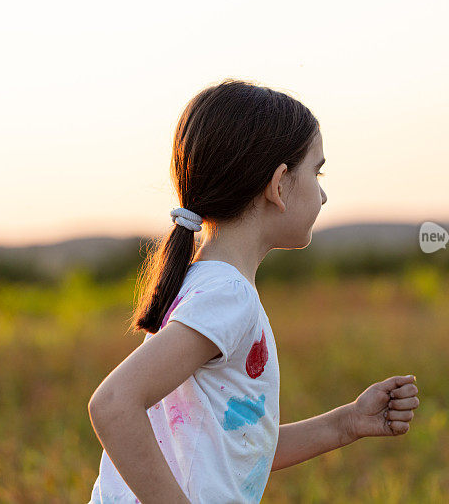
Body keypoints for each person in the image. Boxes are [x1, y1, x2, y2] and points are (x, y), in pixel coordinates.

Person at [87, 79, 420, 503]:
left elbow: (236, 447)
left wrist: (348, 422)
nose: (322, 193)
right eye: (316, 171)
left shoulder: (204, 284)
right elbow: (113, 404)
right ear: (279, 185)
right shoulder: (228, 295)